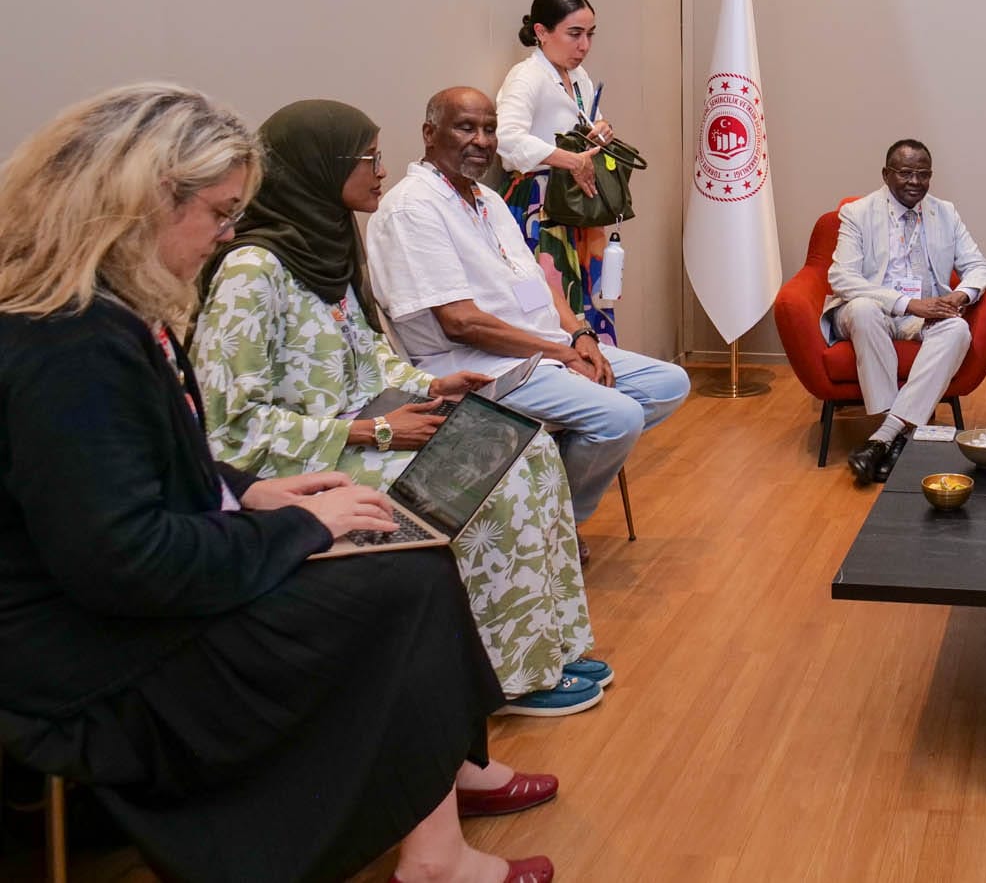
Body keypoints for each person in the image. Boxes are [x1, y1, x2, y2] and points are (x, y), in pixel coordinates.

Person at [0, 84, 553, 883]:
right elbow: (125, 559)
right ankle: (434, 845)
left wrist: (249, 494)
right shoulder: (72, 342)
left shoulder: (93, 314)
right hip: (87, 653)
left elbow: (152, 465)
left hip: (122, 598)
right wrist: (303, 527)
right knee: (401, 578)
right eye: (221, 212)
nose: (229, 232)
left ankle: (438, 789)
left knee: (408, 562)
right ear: (145, 201)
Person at [191, 100, 607, 717]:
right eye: (368, 158)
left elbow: (369, 357)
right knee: (491, 485)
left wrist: (431, 385)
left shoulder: (329, 247)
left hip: (366, 428)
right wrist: (373, 430)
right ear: (319, 167)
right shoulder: (251, 270)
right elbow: (229, 423)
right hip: (298, 463)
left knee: (530, 449)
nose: (381, 170)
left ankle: (547, 644)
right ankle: (506, 676)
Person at [366, 87, 689, 534]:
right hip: (481, 366)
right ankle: (559, 525)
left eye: (490, 129)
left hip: (544, 350)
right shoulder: (412, 208)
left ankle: (541, 491)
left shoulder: (487, 198)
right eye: (466, 128)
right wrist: (562, 355)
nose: (482, 140)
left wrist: (580, 335)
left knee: (668, 383)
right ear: (429, 133)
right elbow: (461, 324)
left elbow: (537, 281)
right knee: (619, 416)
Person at [827, 139, 986, 484]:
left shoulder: (945, 213)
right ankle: (896, 434)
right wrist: (906, 303)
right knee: (863, 310)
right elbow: (841, 277)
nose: (915, 182)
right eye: (905, 173)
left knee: (957, 329)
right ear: (886, 174)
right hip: (870, 311)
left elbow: (980, 266)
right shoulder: (858, 213)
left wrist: (959, 296)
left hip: (922, 316)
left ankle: (883, 439)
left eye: (923, 174)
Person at [496, 0, 622, 343]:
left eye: (590, 35)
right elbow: (506, 138)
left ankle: (601, 365)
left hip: (579, 205)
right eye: (574, 34)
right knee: (548, 300)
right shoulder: (527, 76)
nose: (584, 46)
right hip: (541, 205)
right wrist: (569, 160)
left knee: (590, 299)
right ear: (541, 32)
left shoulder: (579, 78)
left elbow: (589, 122)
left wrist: (602, 129)